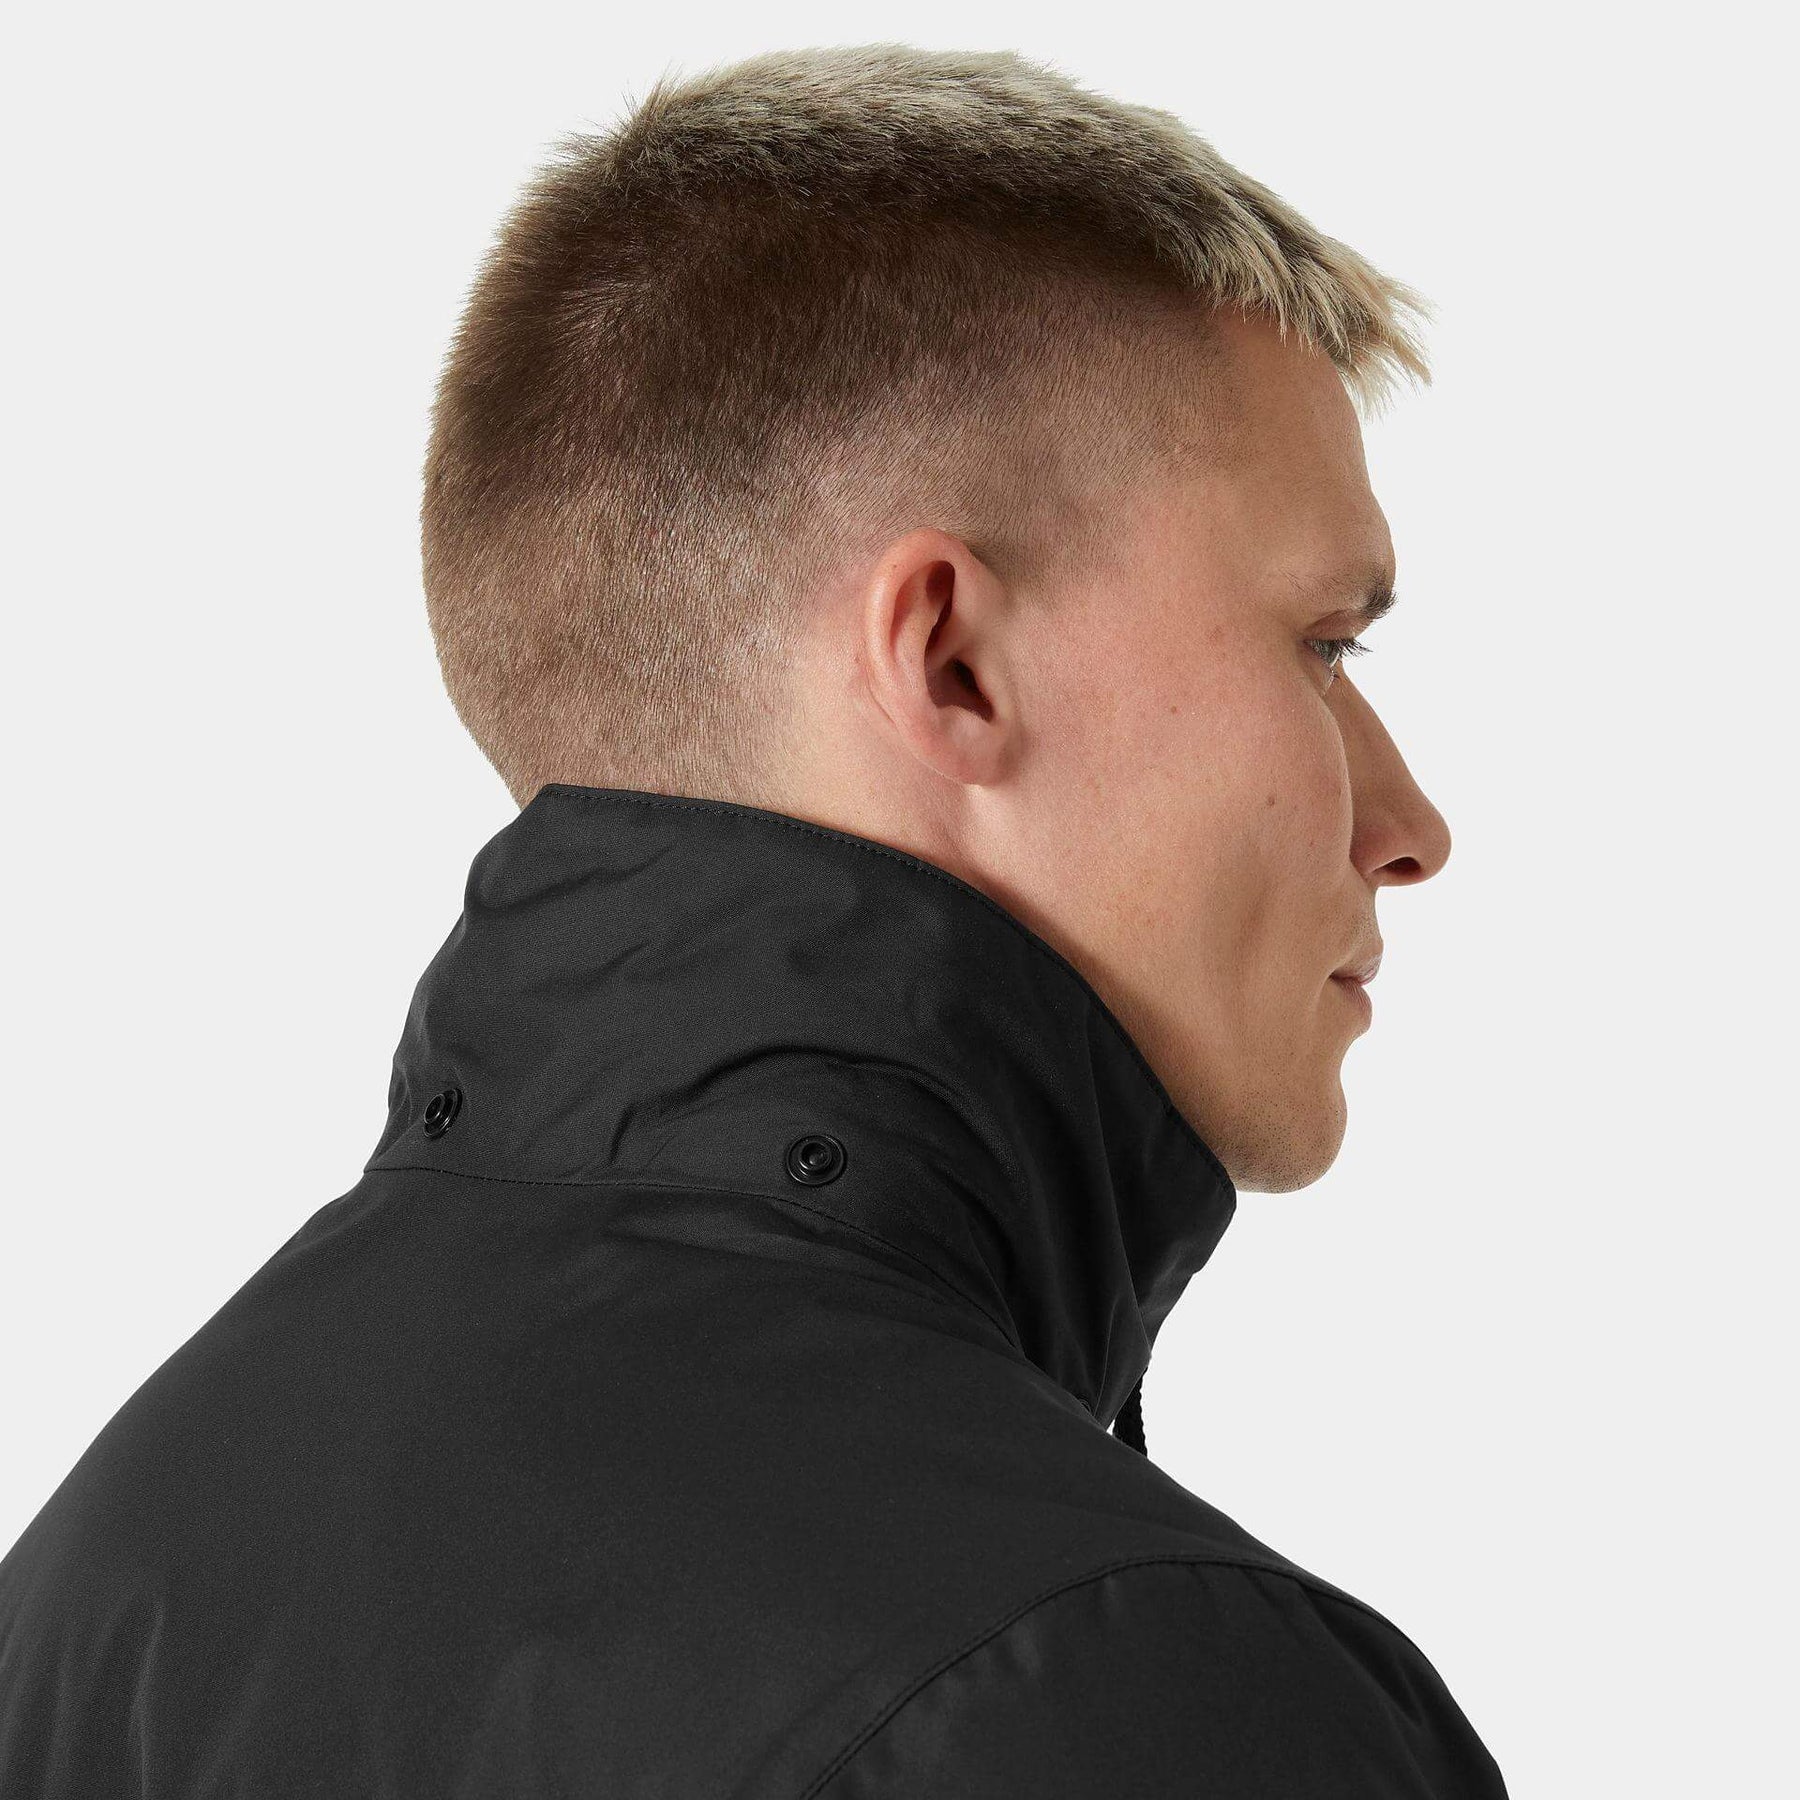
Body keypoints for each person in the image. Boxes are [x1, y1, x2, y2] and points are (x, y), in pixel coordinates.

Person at [0, 42, 1507, 1796]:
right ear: (951, 660)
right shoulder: (1118, 1678)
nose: (1409, 827)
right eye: (1326, 643)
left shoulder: (102, 1584)